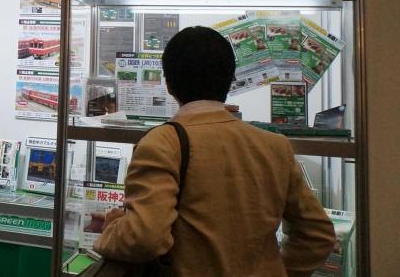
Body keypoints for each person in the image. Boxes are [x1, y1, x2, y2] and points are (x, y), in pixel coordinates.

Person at [94, 26, 335, 276]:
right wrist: (278, 269)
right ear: (230, 79)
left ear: (168, 84)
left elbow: (143, 238)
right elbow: (318, 235)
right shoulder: (275, 146)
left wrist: (112, 228)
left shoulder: (161, 143)